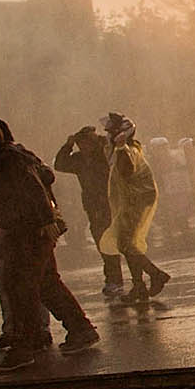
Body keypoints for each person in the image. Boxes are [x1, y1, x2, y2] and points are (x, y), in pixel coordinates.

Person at [0, 116, 98, 368]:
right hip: (29, 233)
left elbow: (33, 187)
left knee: (23, 289)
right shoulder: (15, 156)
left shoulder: (7, 159)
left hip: (28, 235)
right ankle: (80, 329)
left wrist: (43, 220)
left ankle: (24, 347)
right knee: (46, 285)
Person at [99, 113, 170, 300]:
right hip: (131, 201)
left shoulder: (127, 150)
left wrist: (121, 147)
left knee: (125, 244)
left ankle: (155, 274)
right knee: (127, 244)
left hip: (135, 202)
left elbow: (126, 171)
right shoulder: (126, 148)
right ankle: (139, 285)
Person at [54, 124, 122, 298]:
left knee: (116, 243)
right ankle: (116, 279)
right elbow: (59, 164)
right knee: (103, 243)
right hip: (93, 206)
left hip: (111, 202)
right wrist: (67, 145)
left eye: (88, 142)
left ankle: (122, 279)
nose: (85, 146)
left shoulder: (104, 155)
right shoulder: (79, 160)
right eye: (81, 143)